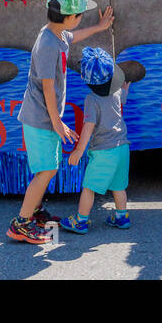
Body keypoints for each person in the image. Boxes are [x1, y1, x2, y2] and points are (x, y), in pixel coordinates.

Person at [8, 0, 115, 245]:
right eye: (79, 16)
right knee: (45, 171)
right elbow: (46, 87)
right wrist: (57, 123)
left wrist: (99, 28)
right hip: (41, 119)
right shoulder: (47, 44)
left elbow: (73, 37)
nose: (80, 20)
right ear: (68, 17)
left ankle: (34, 211)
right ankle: (20, 224)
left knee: (50, 168)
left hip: (48, 119)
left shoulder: (57, 34)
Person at [59, 47, 131, 234]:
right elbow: (123, 98)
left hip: (103, 151)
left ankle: (81, 221)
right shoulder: (116, 93)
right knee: (119, 186)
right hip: (122, 147)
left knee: (89, 187)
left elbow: (88, 128)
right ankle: (122, 217)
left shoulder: (91, 100)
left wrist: (78, 151)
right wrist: (125, 89)